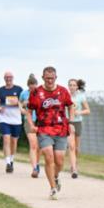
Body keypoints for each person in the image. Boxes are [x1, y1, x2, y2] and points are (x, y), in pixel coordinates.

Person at [28, 66, 74, 200]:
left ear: (56, 78)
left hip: (61, 129)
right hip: (44, 129)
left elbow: (70, 106)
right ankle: (53, 188)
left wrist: (71, 122)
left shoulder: (63, 91)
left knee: (59, 160)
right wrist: (31, 125)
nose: (49, 81)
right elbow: (29, 111)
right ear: (43, 78)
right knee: (48, 156)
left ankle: (56, 176)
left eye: (52, 78)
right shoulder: (36, 92)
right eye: (47, 78)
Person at [0, 71, 24, 174]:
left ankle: (11, 160)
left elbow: (24, 102)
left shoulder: (19, 89)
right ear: (4, 78)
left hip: (16, 120)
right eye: (6, 77)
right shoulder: (0, 90)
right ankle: (7, 163)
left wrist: (18, 102)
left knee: (14, 142)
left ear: (13, 78)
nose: (8, 78)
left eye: (10, 77)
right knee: (6, 139)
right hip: (4, 119)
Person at [67, 78, 90, 179]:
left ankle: (75, 163)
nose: (72, 87)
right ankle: (74, 168)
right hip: (68, 123)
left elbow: (88, 110)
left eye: (74, 85)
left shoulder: (81, 97)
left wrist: (78, 112)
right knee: (71, 146)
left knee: (76, 147)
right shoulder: (66, 96)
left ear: (77, 87)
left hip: (78, 122)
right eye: (70, 85)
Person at [20, 74, 41, 178]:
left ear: (37, 85)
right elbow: (19, 104)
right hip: (28, 121)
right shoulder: (24, 93)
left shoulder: (41, 93)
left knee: (39, 146)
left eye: (34, 85)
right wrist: (22, 110)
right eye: (30, 85)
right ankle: (35, 168)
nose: (32, 87)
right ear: (28, 85)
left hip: (40, 121)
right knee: (33, 144)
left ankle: (37, 162)